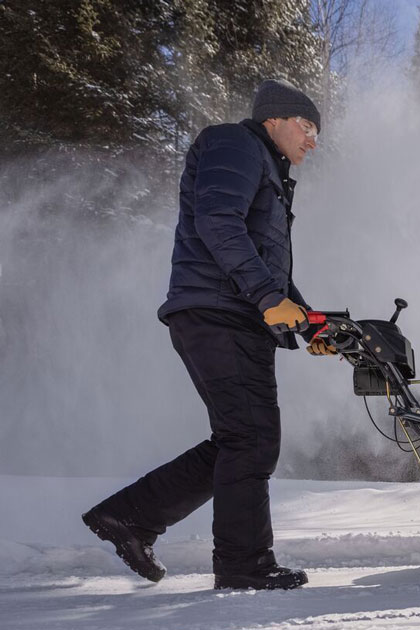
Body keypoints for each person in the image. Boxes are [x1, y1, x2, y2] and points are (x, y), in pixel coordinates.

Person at [82, 79, 338, 590]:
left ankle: (130, 518)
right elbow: (218, 222)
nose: (313, 139)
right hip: (220, 313)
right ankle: (243, 566)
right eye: (307, 126)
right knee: (252, 440)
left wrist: (309, 323)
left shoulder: (265, 166)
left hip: (227, 312)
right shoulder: (234, 143)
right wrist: (268, 300)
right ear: (275, 119)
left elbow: (267, 265)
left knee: (242, 439)